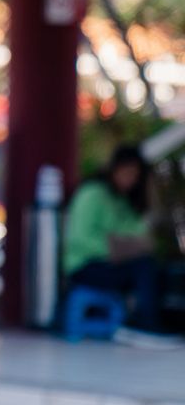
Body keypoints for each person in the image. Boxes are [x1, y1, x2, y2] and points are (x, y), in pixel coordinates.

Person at [63, 144, 167, 338]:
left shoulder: (122, 200)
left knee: (156, 266)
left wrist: (149, 190)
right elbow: (80, 239)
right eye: (128, 173)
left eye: (136, 176)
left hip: (111, 263)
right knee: (143, 267)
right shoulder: (91, 194)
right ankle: (145, 325)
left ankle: (148, 321)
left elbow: (141, 236)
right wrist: (115, 250)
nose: (131, 180)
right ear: (114, 168)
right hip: (84, 265)